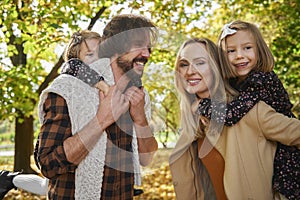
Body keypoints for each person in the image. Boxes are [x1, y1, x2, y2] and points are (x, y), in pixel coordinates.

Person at [35, 14, 158, 200]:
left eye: (148, 48)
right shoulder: (68, 89)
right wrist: (101, 120)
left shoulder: (139, 94)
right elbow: (47, 165)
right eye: (139, 45)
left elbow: (147, 159)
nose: (147, 54)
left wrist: (140, 117)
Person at [169, 37, 300, 199]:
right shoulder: (193, 122)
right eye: (183, 64)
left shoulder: (250, 111)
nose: (190, 71)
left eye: (200, 62)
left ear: (217, 67)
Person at [0, 30, 113, 199]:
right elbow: (72, 65)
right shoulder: (72, 79)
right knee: (48, 183)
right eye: (90, 55)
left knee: (44, 185)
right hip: (61, 159)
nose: (98, 61)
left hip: (84, 167)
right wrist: (103, 85)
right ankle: (9, 178)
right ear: (77, 58)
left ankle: (11, 178)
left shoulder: (106, 82)